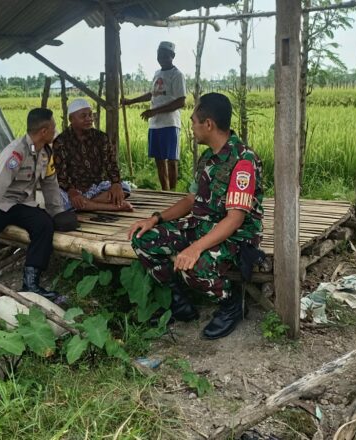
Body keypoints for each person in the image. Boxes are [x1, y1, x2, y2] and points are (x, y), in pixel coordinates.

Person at [127, 93, 264, 339]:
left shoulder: (243, 160)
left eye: (193, 122)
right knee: (143, 239)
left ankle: (232, 303)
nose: (191, 127)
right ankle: (179, 302)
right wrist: (155, 219)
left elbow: (235, 219)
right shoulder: (207, 157)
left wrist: (194, 249)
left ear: (208, 124)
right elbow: (191, 200)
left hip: (234, 237)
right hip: (201, 226)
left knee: (194, 267)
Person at [0, 108, 66, 302]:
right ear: (44, 131)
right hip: (2, 203)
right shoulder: (15, 153)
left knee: (44, 225)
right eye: (53, 127)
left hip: (24, 203)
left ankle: (31, 284)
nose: (56, 130)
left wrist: (57, 213)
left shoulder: (45, 152)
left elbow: (50, 184)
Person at [121, 41, 186, 191]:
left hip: (169, 124)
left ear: (172, 56)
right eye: (159, 54)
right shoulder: (157, 73)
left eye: (165, 55)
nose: (161, 58)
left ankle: (172, 194)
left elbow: (181, 101)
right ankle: (165, 191)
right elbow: (152, 94)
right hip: (155, 124)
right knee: (159, 160)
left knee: (171, 160)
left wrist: (154, 111)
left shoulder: (177, 75)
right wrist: (131, 101)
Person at [53, 98, 133, 212]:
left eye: (90, 115)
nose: (89, 119)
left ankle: (84, 205)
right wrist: (72, 191)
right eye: (83, 116)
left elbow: (110, 163)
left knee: (125, 188)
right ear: (71, 119)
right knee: (59, 200)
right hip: (73, 189)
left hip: (96, 187)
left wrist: (116, 184)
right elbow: (61, 174)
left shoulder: (101, 137)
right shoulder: (61, 141)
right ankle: (112, 206)